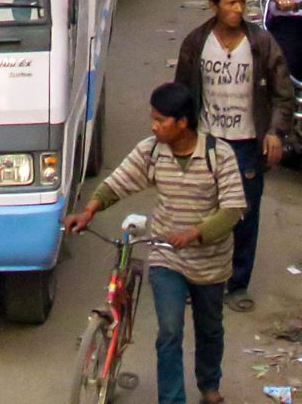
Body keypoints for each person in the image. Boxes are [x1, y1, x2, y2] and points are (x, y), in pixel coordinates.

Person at [65, 80, 245, 404]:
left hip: (210, 263)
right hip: (166, 256)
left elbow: (233, 210)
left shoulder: (219, 156)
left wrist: (195, 233)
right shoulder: (151, 151)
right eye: (153, 118)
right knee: (170, 332)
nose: (154, 126)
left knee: (210, 330)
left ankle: (209, 385)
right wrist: (89, 211)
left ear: (182, 123)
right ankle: (172, 399)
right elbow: (118, 182)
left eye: (161, 120)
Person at [174, 0, 292, 310]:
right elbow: (181, 95)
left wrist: (274, 132)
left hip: (246, 145)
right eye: (230, 3)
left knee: (243, 216)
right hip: (207, 144)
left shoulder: (261, 43)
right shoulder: (196, 45)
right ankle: (196, 282)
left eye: (242, 2)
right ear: (213, 5)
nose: (238, 10)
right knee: (200, 214)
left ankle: (237, 284)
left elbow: (284, 93)